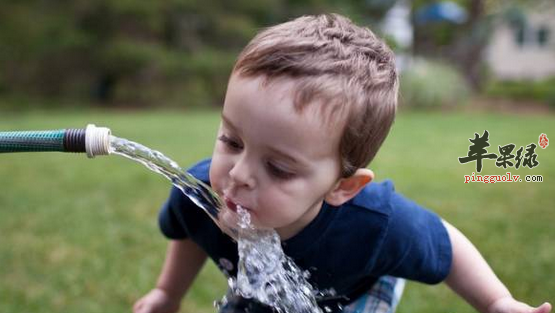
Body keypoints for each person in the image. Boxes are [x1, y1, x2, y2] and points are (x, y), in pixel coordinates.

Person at [133, 14, 552, 313]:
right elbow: (190, 232)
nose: (239, 175)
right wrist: (168, 293)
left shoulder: (376, 225)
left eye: (278, 168)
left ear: (342, 186)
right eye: (231, 140)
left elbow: (446, 244)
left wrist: (497, 302)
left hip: (357, 288)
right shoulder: (200, 192)